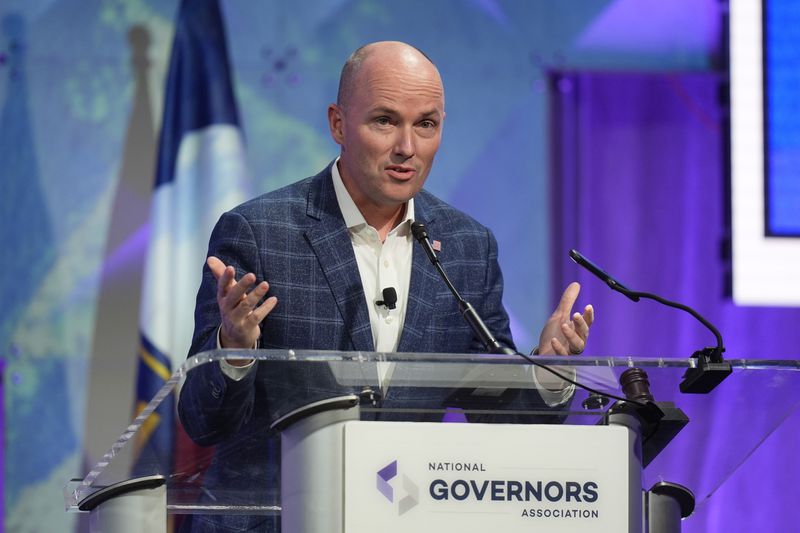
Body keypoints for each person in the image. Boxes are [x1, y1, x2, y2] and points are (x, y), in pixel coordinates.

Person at [178, 41, 593, 532]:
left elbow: (498, 419)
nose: (407, 148)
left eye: (426, 124)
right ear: (337, 124)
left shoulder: (465, 248)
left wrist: (545, 373)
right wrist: (235, 351)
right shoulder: (259, 232)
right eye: (384, 121)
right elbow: (203, 421)